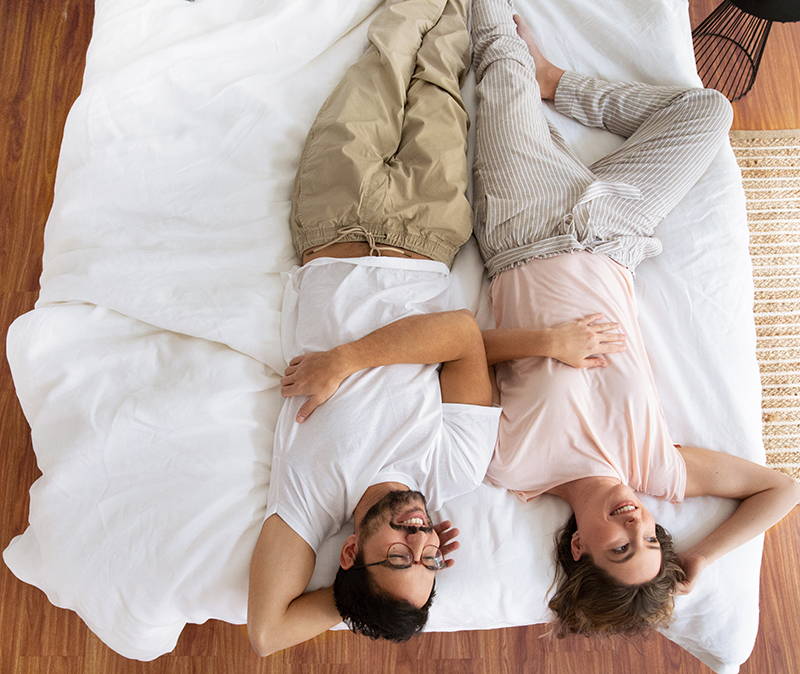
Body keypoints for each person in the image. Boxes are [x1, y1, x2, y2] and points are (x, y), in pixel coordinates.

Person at [471, 0, 800, 637]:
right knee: (708, 112)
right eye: (652, 539)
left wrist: (547, 342)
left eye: (620, 546)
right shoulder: (657, 469)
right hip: (615, 234)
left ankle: (525, 74)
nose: (634, 522)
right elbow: (782, 491)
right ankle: (558, 85)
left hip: (522, 230)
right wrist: (701, 556)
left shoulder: (512, 466)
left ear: (577, 548)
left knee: (495, 44)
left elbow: (461, 349)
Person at [246, 0, 513, 656]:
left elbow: (266, 633)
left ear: (347, 554)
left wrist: (352, 602)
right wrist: (348, 361)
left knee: (390, 51)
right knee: (444, 70)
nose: (420, 540)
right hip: (427, 232)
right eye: (428, 560)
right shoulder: (453, 468)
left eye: (398, 558)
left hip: (333, 222)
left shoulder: (310, 498)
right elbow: (459, 335)